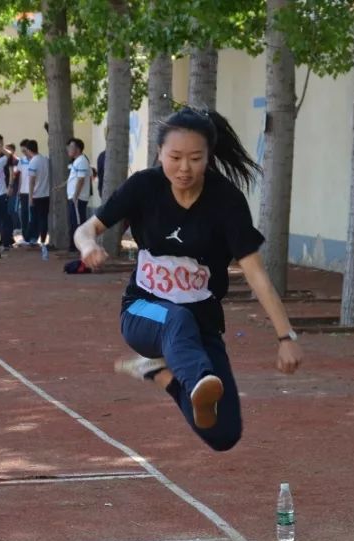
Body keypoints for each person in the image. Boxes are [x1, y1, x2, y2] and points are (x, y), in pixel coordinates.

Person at [74, 107, 304, 451]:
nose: (184, 168)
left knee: (223, 434)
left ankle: (159, 373)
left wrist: (285, 336)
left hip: (201, 323)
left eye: (195, 158)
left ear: (208, 157)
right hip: (142, 312)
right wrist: (88, 244)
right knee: (175, 319)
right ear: (159, 154)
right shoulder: (144, 186)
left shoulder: (226, 201)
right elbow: (87, 228)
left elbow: (256, 273)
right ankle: (196, 378)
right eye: (175, 157)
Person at [66, 138, 92, 252]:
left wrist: (75, 196)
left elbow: (81, 180)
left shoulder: (81, 160)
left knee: (78, 223)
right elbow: (74, 178)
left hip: (78, 198)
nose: (68, 150)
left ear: (77, 149)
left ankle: (78, 247)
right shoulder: (77, 161)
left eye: (71, 147)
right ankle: (74, 246)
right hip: (74, 197)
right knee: (73, 222)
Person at [26, 139, 51, 246]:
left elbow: (31, 181)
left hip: (37, 194)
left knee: (35, 218)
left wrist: (30, 197)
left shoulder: (33, 161)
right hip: (46, 193)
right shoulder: (45, 159)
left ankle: (32, 239)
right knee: (44, 218)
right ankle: (43, 239)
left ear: (28, 150)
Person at [15, 140, 34, 246]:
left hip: (33, 192)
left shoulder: (35, 160)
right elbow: (21, 175)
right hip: (23, 192)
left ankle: (32, 236)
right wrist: (19, 189)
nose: (23, 152)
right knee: (24, 214)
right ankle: (25, 236)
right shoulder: (22, 161)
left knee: (32, 215)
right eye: (21, 150)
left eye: (25, 149)